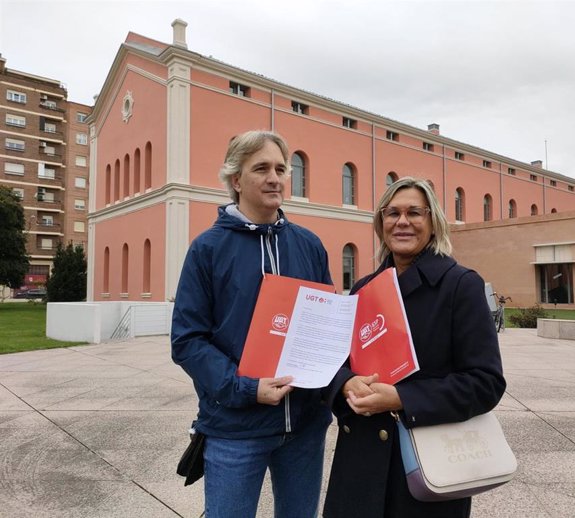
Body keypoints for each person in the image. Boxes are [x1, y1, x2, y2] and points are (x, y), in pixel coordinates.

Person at [171, 130, 333, 518]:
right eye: (261, 168)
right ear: (236, 180)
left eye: (281, 168)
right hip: (235, 428)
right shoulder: (207, 249)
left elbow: (326, 326)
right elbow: (187, 340)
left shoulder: (309, 244)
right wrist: (245, 388)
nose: (275, 177)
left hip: (304, 428)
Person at [322, 177, 506, 518]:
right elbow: (335, 363)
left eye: (414, 213)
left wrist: (402, 399)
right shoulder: (364, 288)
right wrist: (346, 383)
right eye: (392, 213)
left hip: (425, 467)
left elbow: (486, 383)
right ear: (381, 223)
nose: (402, 221)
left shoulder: (461, 286)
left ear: (433, 223)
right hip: (359, 463)